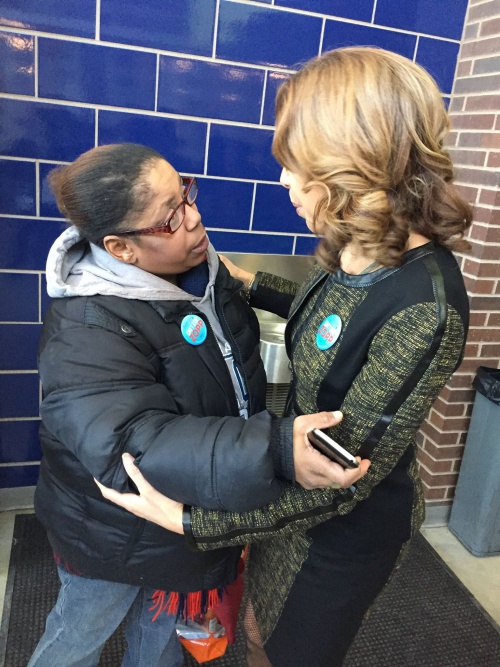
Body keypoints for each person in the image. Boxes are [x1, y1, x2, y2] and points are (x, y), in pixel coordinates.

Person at [97, 47, 472, 667]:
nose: (283, 182)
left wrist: (191, 522)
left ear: (351, 165)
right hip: (282, 494)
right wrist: (249, 282)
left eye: (294, 166)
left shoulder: (425, 306)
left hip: (338, 533)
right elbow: (332, 319)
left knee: (286, 651)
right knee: (252, 626)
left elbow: (343, 483)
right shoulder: (360, 244)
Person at [29, 142, 368, 667]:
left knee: (162, 639)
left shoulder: (202, 273)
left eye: (185, 194)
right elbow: (133, 440)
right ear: (120, 248)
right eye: (170, 218)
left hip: (187, 512)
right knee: (80, 632)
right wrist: (271, 449)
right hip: (113, 530)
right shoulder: (88, 327)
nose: (193, 218)